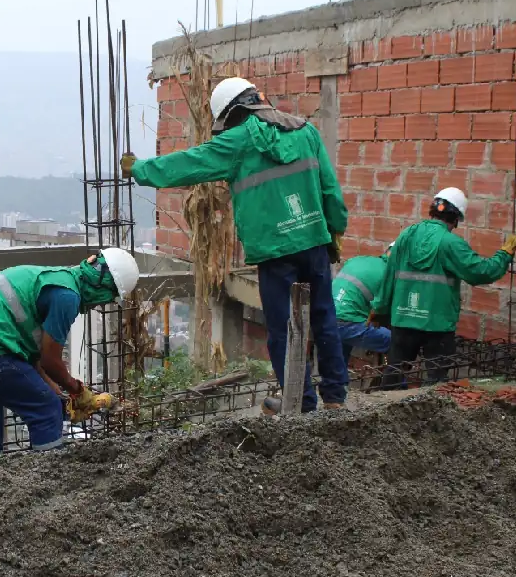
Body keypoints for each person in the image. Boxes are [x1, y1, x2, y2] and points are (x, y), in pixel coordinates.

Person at [121, 76, 349, 413]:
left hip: (274, 253)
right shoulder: (306, 132)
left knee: (282, 329)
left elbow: (186, 165)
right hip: (313, 241)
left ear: (232, 114)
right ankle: (335, 398)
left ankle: (300, 403)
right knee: (323, 316)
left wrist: (139, 169)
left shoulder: (237, 142)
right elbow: (330, 188)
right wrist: (335, 229)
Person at [0, 248, 139, 458]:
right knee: (46, 410)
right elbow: (50, 361)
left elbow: (35, 359)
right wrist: (78, 391)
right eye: (110, 298)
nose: (103, 304)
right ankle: (48, 482)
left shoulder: (57, 278)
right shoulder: (67, 297)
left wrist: (58, 393)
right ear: (104, 287)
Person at [372, 187, 516, 387]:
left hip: (403, 318)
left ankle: (386, 413)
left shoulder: (405, 236)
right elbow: (480, 272)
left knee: (394, 374)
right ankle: (432, 415)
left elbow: (389, 276)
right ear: (456, 218)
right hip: (437, 324)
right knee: (437, 383)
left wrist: (379, 309)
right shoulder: (450, 242)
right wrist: (505, 253)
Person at [333, 243, 394, 365]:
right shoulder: (389, 273)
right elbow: (382, 308)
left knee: (338, 361)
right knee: (395, 342)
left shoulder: (358, 260)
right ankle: (396, 383)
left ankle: (338, 382)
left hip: (326, 317)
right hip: (347, 322)